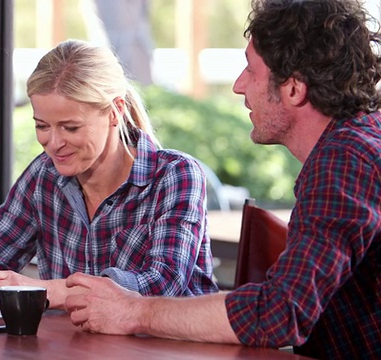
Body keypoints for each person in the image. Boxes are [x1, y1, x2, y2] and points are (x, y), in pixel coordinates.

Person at [64, 0, 381, 358]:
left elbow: (278, 313)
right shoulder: (361, 139)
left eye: (251, 70)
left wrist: (133, 311)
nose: (237, 85)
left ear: (294, 88)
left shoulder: (344, 161)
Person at [0, 39, 218, 309]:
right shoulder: (45, 175)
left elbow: (162, 285)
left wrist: (43, 291)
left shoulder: (174, 176)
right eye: (42, 126)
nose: (53, 143)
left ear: (116, 111)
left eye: (71, 127)